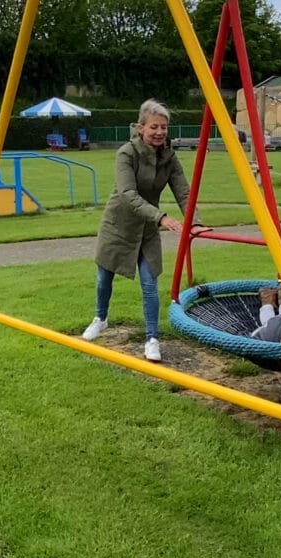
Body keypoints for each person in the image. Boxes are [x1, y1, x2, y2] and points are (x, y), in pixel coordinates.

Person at [81, 99, 210, 362]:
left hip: (148, 228)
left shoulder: (169, 157)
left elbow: (183, 191)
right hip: (119, 224)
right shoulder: (126, 153)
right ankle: (100, 318)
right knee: (104, 278)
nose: (160, 132)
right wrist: (161, 217)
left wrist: (193, 221)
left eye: (163, 127)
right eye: (154, 127)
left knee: (150, 285)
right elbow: (128, 194)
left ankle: (152, 338)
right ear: (141, 128)